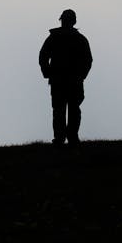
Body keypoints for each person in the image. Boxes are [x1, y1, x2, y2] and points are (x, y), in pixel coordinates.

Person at [39, 9, 92, 146]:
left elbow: (43, 56)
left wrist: (48, 72)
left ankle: (62, 138)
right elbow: (88, 60)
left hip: (60, 80)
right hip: (71, 81)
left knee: (61, 110)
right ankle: (70, 137)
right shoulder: (79, 39)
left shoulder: (54, 38)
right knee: (70, 109)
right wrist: (81, 76)